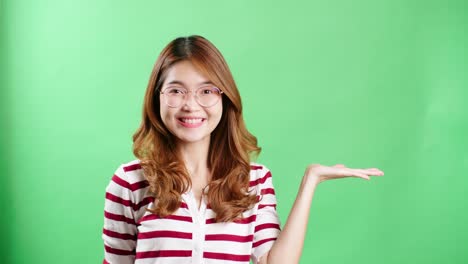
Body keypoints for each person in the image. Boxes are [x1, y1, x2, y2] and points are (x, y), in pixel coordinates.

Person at [102, 35, 384, 264]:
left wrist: (311, 180)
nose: (191, 104)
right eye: (176, 90)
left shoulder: (254, 181)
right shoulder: (129, 181)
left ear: (225, 99)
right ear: (157, 98)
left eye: (207, 91)